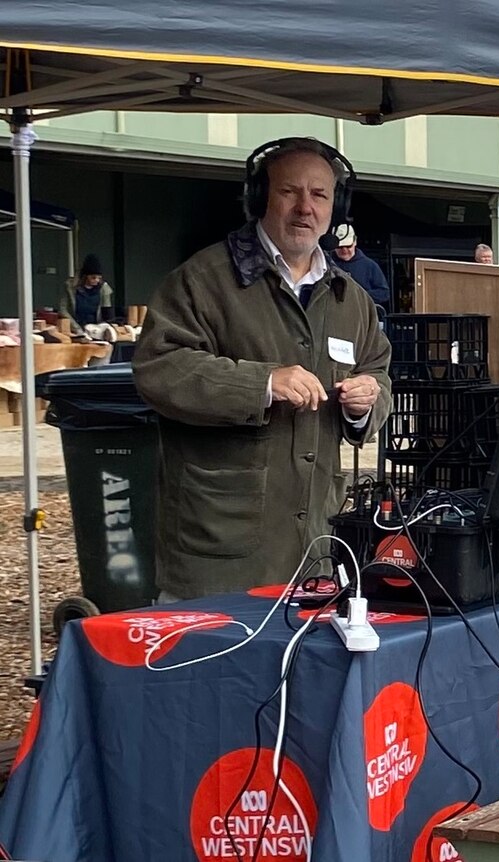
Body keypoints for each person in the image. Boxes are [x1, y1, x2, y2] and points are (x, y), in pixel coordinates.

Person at [133, 137, 392, 600]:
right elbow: (159, 367)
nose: (304, 208)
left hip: (316, 553)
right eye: (289, 191)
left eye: (319, 195)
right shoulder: (203, 280)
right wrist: (263, 382)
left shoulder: (349, 299)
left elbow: (379, 371)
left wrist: (366, 400)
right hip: (220, 556)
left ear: (337, 207)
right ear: (258, 199)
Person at [332, 223, 391, 310]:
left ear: (355, 241)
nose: (344, 250)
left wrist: (358, 295)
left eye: (348, 246)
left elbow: (384, 293)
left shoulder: (370, 266)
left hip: (361, 316)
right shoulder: (326, 264)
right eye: (340, 247)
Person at [58, 253, 113, 334]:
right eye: (93, 277)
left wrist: (102, 329)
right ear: (85, 276)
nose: (96, 280)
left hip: (96, 330)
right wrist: (76, 328)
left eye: (99, 278)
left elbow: (107, 313)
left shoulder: (103, 288)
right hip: (75, 327)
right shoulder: (70, 287)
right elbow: (62, 309)